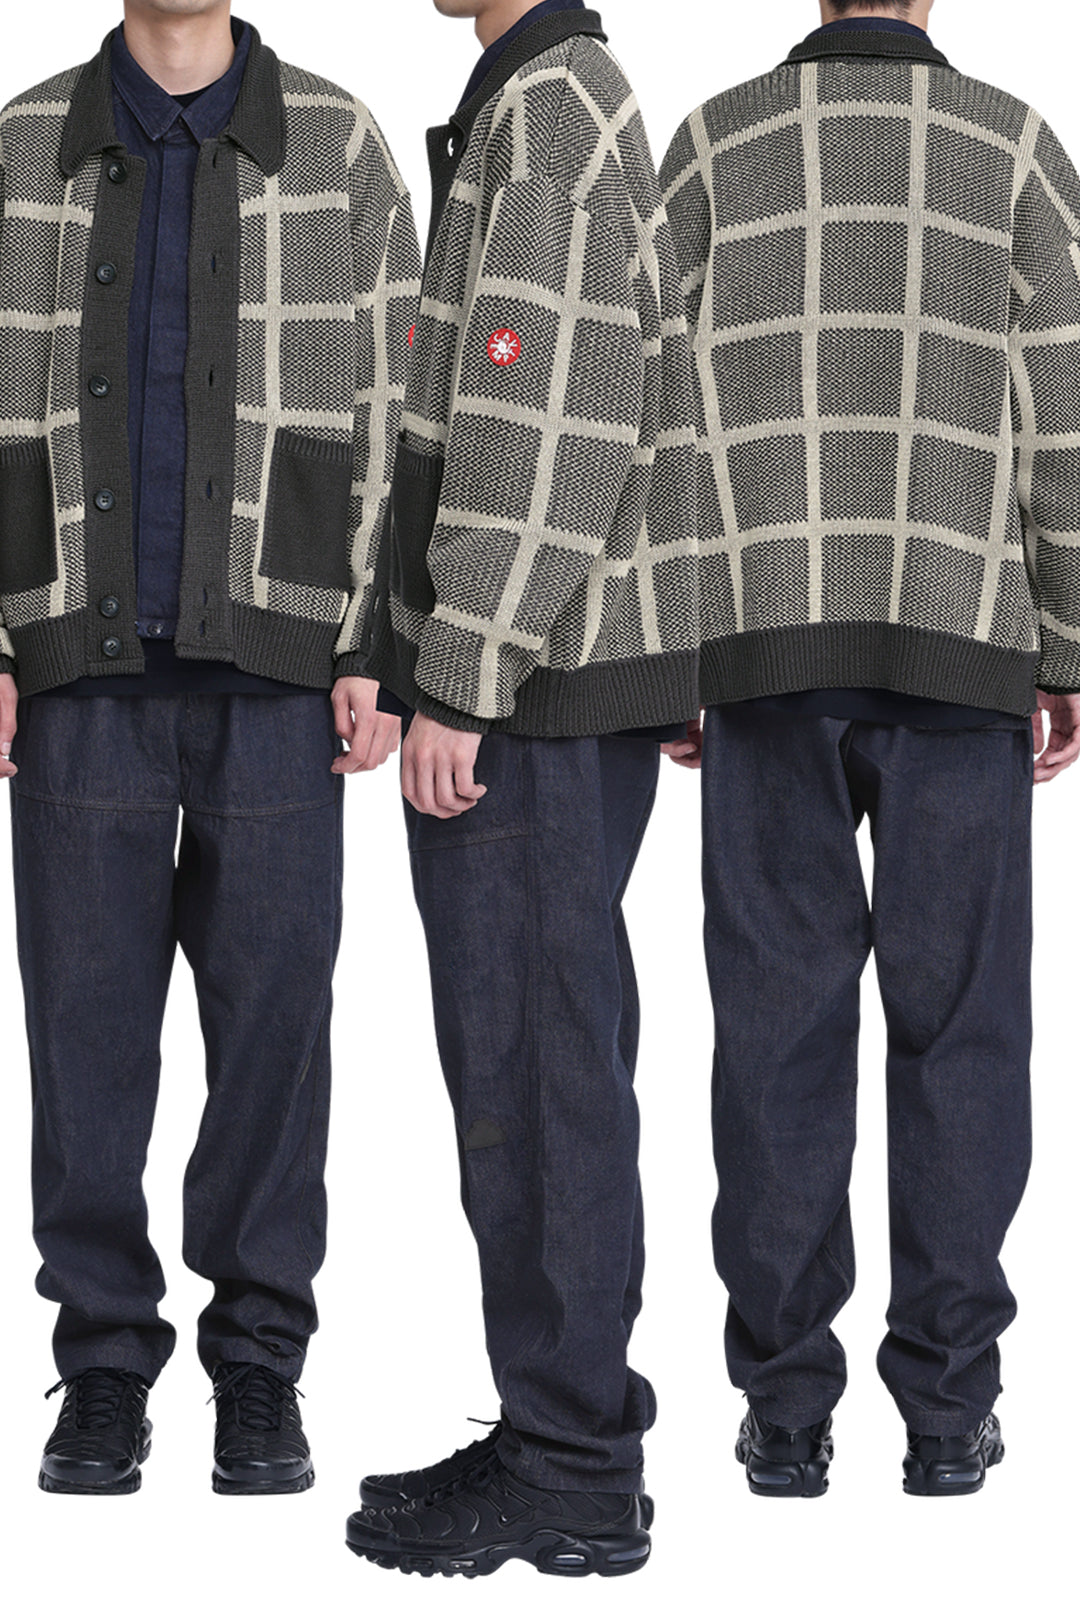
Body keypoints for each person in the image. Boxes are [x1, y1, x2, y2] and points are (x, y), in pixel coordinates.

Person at [660, 0, 1080, 1499]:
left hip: (761, 645)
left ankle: (784, 1410)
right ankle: (950, 1412)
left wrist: (672, 644)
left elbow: (652, 408)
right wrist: (1068, 639)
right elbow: (1067, 416)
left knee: (775, 1028)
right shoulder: (1012, 147)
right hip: (960, 640)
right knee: (961, 1030)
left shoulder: (712, 143)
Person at [0, 0, 419, 1495]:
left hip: (280, 670)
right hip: (77, 664)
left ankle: (258, 1362)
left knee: (274, 1037)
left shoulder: (340, 141)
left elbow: (402, 403)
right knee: (84, 1040)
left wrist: (374, 643)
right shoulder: (24, 144)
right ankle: (104, 1366)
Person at [343, 0, 698, 1580]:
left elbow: (541, 416)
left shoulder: (549, 107)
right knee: (548, 1059)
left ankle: (571, 1470)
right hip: (545, 675)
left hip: (534, 691)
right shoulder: (540, 97)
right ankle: (569, 1425)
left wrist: (464, 673)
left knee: (536, 1070)